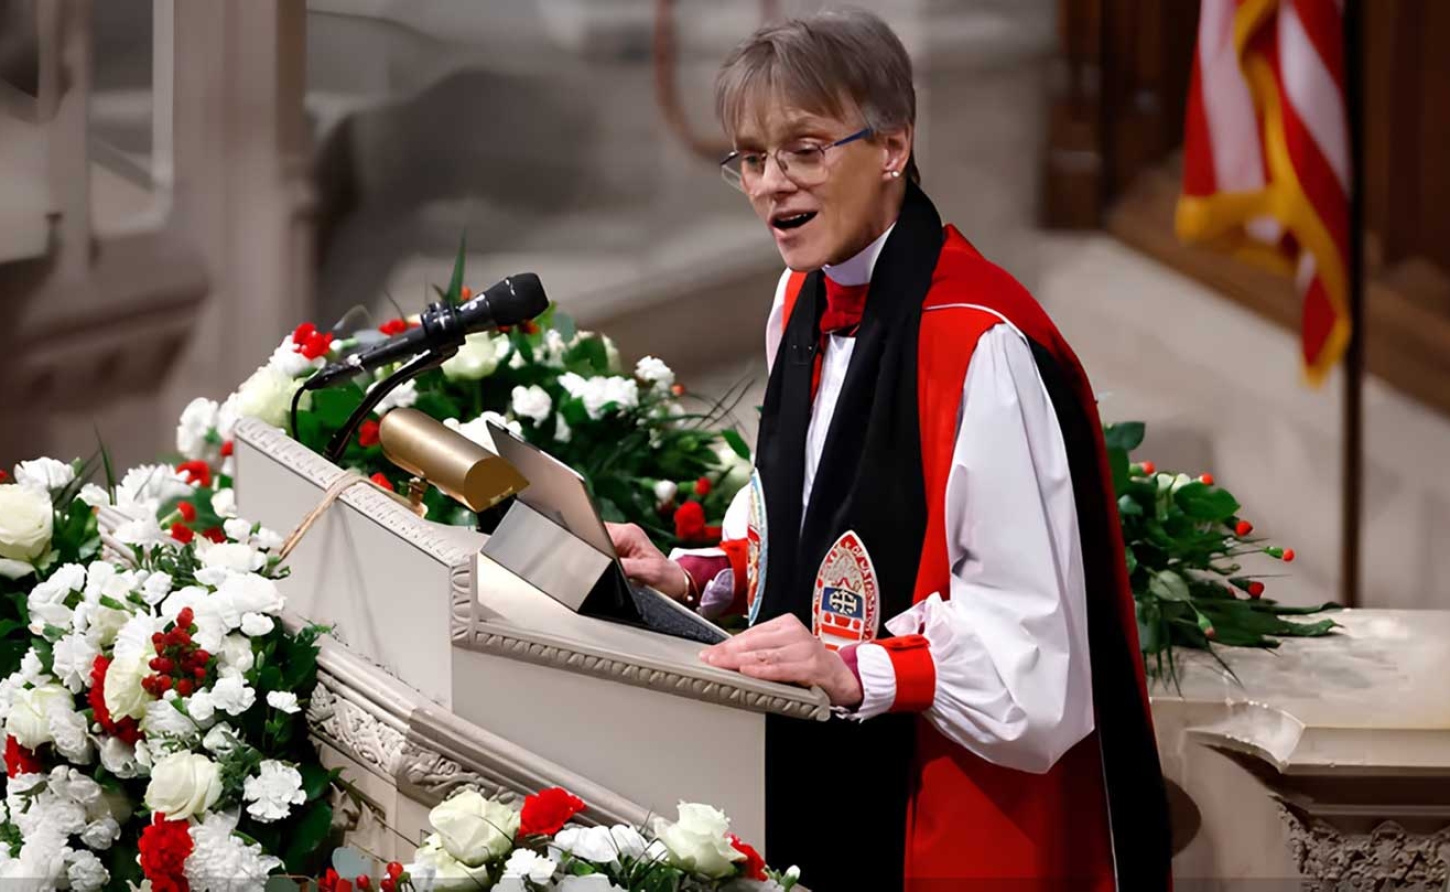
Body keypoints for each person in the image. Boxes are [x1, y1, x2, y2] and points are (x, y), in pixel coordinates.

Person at [608, 9, 1171, 889]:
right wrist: (701, 578)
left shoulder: (979, 346)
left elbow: (1033, 655)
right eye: (751, 158)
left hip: (935, 810)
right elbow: (819, 531)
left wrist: (850, 669)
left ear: (895, 146)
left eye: (804, 149)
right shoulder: (798, 299)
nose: (770, 185)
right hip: (803, 784)